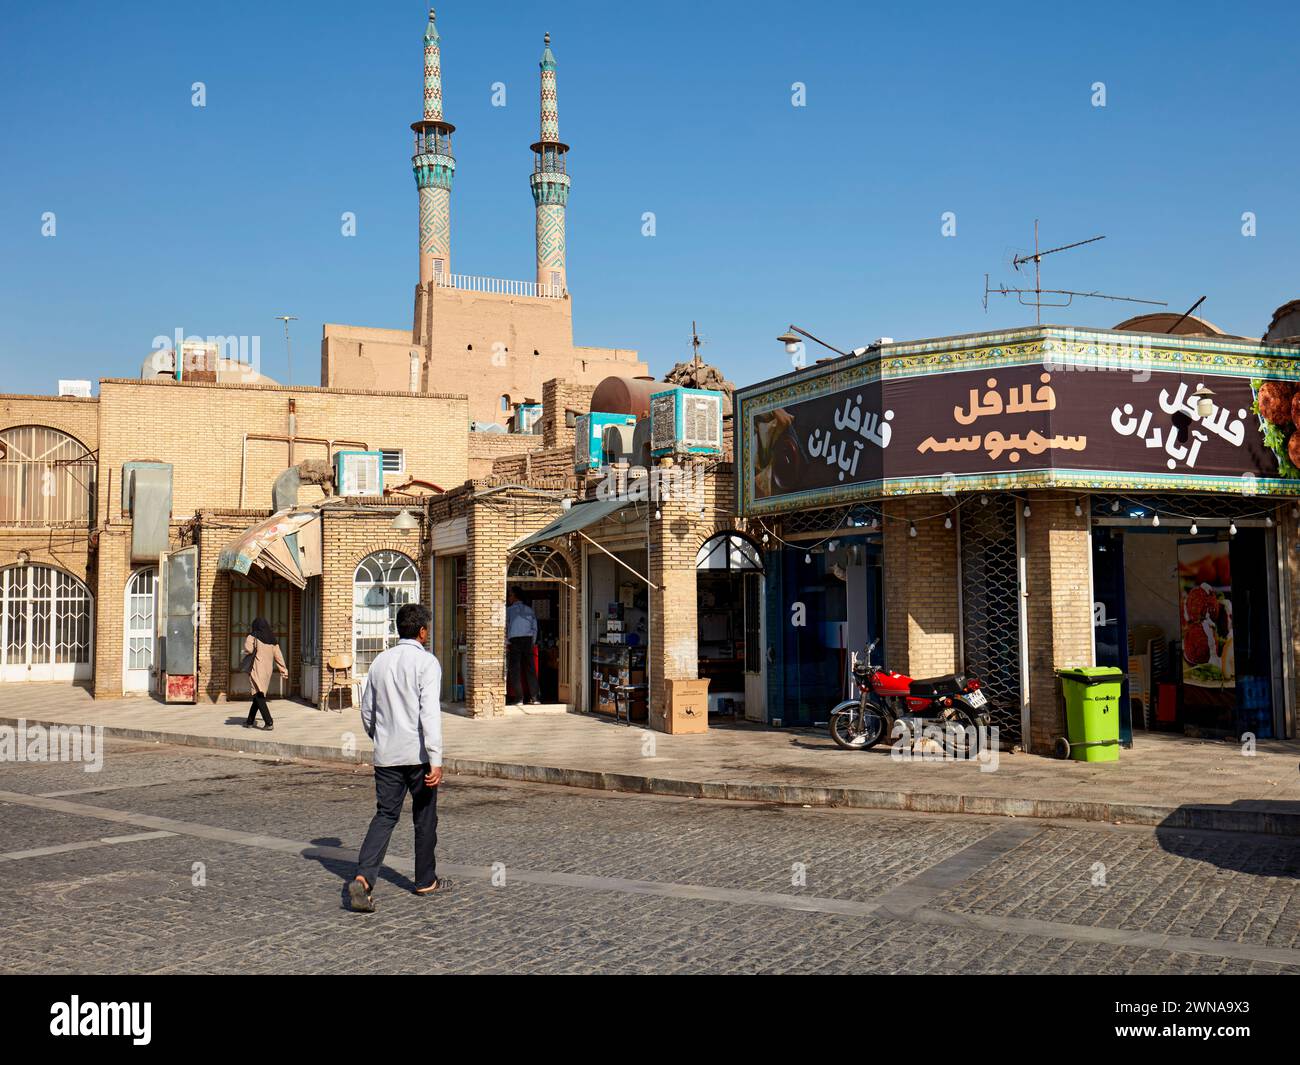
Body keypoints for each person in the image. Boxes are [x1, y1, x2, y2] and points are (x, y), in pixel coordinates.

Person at [349, 602, 452, 913]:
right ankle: (425, 880)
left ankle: (364, 878)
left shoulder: (380, 662)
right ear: (421, 632)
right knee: (424, 817)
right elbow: (429, 714)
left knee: (385, 816)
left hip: (387, 755)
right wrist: (436, 758)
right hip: (418, 755)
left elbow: (367, 710)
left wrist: (379, 737)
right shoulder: (427, 663)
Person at [242, 617, 288, 731]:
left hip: (256, 669)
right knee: (258, 694)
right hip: (267, 671)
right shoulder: (272, 640)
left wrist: (244, 651)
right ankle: (249, 721)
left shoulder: (253, 636)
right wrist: (284, 670)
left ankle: (269, 722)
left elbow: (249, 649)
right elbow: (279, 657)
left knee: (259, 696)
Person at [506, 588, 540, 706]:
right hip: (527, 640)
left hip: (515, 641)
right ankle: (535, 697)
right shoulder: (529, 610)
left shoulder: (509, 611)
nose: (509, 598)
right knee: (530, 669)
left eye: (510, 595)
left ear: (515, 596)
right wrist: (532, 642)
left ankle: (519, 698)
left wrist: (506, 642)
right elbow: (535, 628)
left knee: (515, 670)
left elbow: (505, 627)